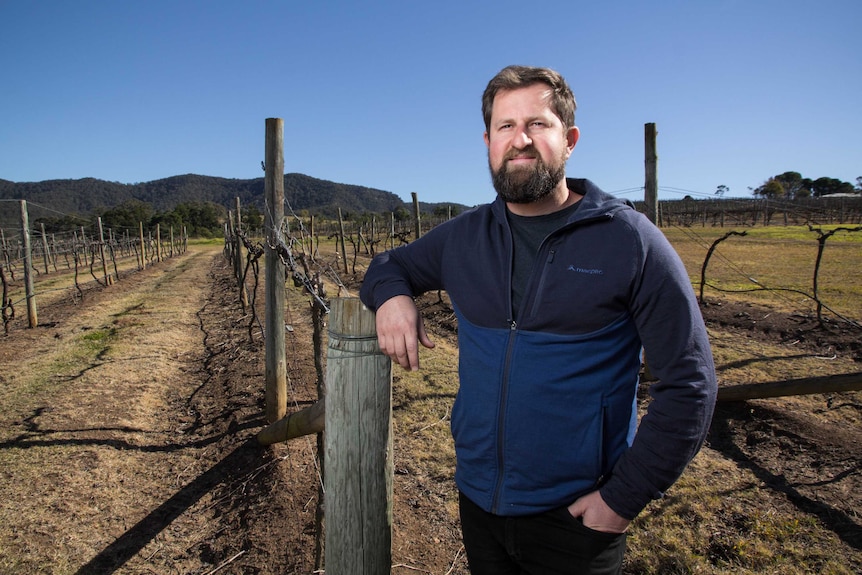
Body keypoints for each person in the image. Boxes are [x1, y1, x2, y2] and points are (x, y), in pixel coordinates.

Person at [359, 65, 717, 575]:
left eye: (537, 124)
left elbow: (691, 386)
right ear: (488, 141)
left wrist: (619, 502)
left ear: (568, 140)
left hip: (576, 522)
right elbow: (387, 266)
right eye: (505, 126)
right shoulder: (463, 238)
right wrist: (393, 296)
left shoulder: (629, 242)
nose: (519, 139)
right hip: (478, 503)